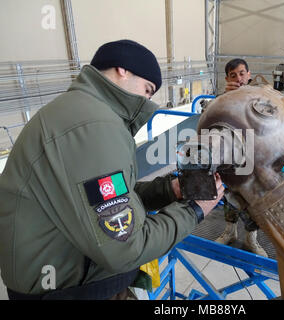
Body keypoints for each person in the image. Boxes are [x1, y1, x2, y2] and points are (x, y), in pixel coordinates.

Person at [0, 39, 224, 300]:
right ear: (123, 70)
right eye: (148, 89)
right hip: (72, 290)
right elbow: (126, 249)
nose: (148, 100)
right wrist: (194, 210)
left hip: (62, 277)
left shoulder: (75, 112)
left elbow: (103, 197)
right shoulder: (94, 126)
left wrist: (168, 190)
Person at [215, 58, 267, 257]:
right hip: (230, 155)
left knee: (252, 197)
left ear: (249, 74)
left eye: (242, 73)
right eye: (233, 75)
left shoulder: (260, 95)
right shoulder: (223, 98)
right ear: (227, 78)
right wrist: (225, 98)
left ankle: (251, 238)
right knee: (230, 194)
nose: (239, 78)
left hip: (255, 156)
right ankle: (229, 231)